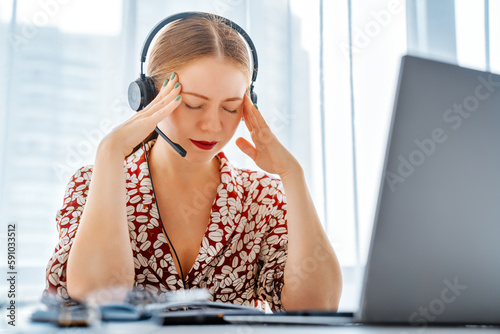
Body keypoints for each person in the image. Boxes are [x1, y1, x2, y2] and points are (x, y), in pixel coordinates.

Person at [43, 13, 342, 312]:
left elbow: (317, 306)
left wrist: (293, 175)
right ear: (148, 97)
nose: (212, 125)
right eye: (193, 104)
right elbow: (99, 296)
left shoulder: (262, 199)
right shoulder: (93, 183)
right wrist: (110, 152)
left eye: (231, 107)